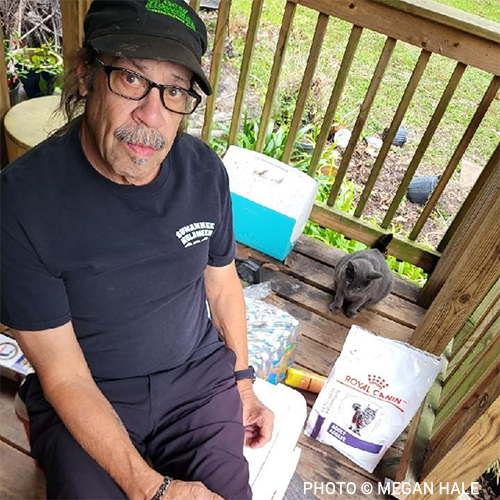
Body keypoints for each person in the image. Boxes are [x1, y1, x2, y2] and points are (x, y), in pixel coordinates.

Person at [0, 1, 274, 499]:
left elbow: (222, 280)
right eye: (130, 78)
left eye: (173, 90)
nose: (152, 115)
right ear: (86, 75)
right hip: (88, 391)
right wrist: (153, 488)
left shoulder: (204, 172)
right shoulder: (20, 204)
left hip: (197, 385)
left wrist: (244, 383)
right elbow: (63, 374)